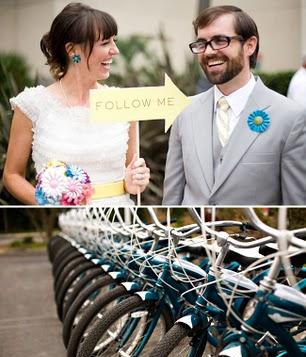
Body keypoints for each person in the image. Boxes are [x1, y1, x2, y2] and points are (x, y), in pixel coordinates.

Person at [3, 2, 150, 205]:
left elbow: (131, 175)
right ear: (72, 50)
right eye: (105, 43)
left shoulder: (124, 104)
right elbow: (12, 175)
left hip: (118, 217)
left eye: (114, 41)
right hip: (62, 221)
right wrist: (47, 204)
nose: (115, 51)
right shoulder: (32, 105)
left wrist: (135, 181)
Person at [163, 5, 306, 205]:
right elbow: (172, 200)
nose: (209, 52)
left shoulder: (291, 117)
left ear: (250, 45)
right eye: (202, 43)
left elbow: (297, 208)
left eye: (220, 41)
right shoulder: (184, 111)